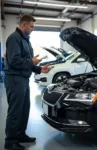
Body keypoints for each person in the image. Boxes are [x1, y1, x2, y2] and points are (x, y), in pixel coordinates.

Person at [4, 14, 52, 150]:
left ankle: (20, 134)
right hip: (14, 79)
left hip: (23, 79)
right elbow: (14, 61)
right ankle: (10, 142)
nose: (32, 29)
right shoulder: (15, 38)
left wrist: (39, 69)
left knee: (24, 109)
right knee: (15, 111)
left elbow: (26, 62)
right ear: (23, 25)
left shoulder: (26, 40)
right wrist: (32, 61)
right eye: (31, 26)